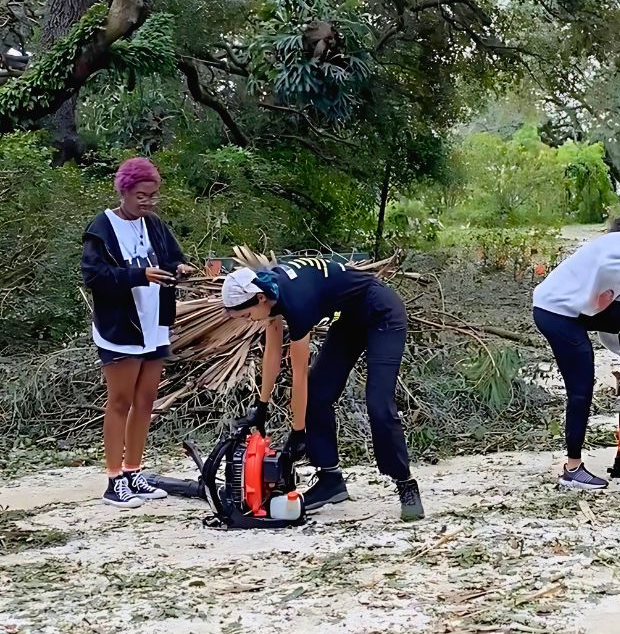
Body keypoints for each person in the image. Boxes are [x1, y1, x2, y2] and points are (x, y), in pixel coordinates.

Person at [219, 257, 425, 521]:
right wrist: (261, 406)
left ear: (258, 299)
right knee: (318, 395)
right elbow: (272, 354)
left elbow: (298, 374)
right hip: (349, 320)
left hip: (381, 312)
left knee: (378, 401)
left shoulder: (297, 301)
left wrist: (298, 432)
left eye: (246, 315)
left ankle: (405, 483)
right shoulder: (270, 291)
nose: (249, 320)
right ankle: (331, 481)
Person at [82, 157, 196, 508]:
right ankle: (114, 479)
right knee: (120, 402)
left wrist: (181, 268)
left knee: (146, 401)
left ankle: (134, 471)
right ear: (124, 191)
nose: (147, 202)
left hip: (154, 323)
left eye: (153, 196)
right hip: (121, 326)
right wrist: (139, 276)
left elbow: (172, 257)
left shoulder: (155, 225)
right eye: (141, 196)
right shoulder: (102, 227)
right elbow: (95, 277)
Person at [532, 212, 620, 490]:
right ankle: (572, 469)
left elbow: (610, 329)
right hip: (554, 312)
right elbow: (612, 268)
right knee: (581, 387)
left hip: (573, 312)